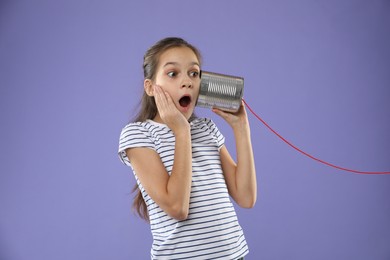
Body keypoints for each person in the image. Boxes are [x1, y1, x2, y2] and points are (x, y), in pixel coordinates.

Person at [118, 37, 257, 260]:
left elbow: (246, 197)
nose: (188, 82)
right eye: (173, 74)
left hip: (234, 255)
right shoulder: (138, 135)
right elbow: (177, 207)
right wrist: (181, 131)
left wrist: (242, 129)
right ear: (150, 87)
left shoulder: (205, 128)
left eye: (194, 73)